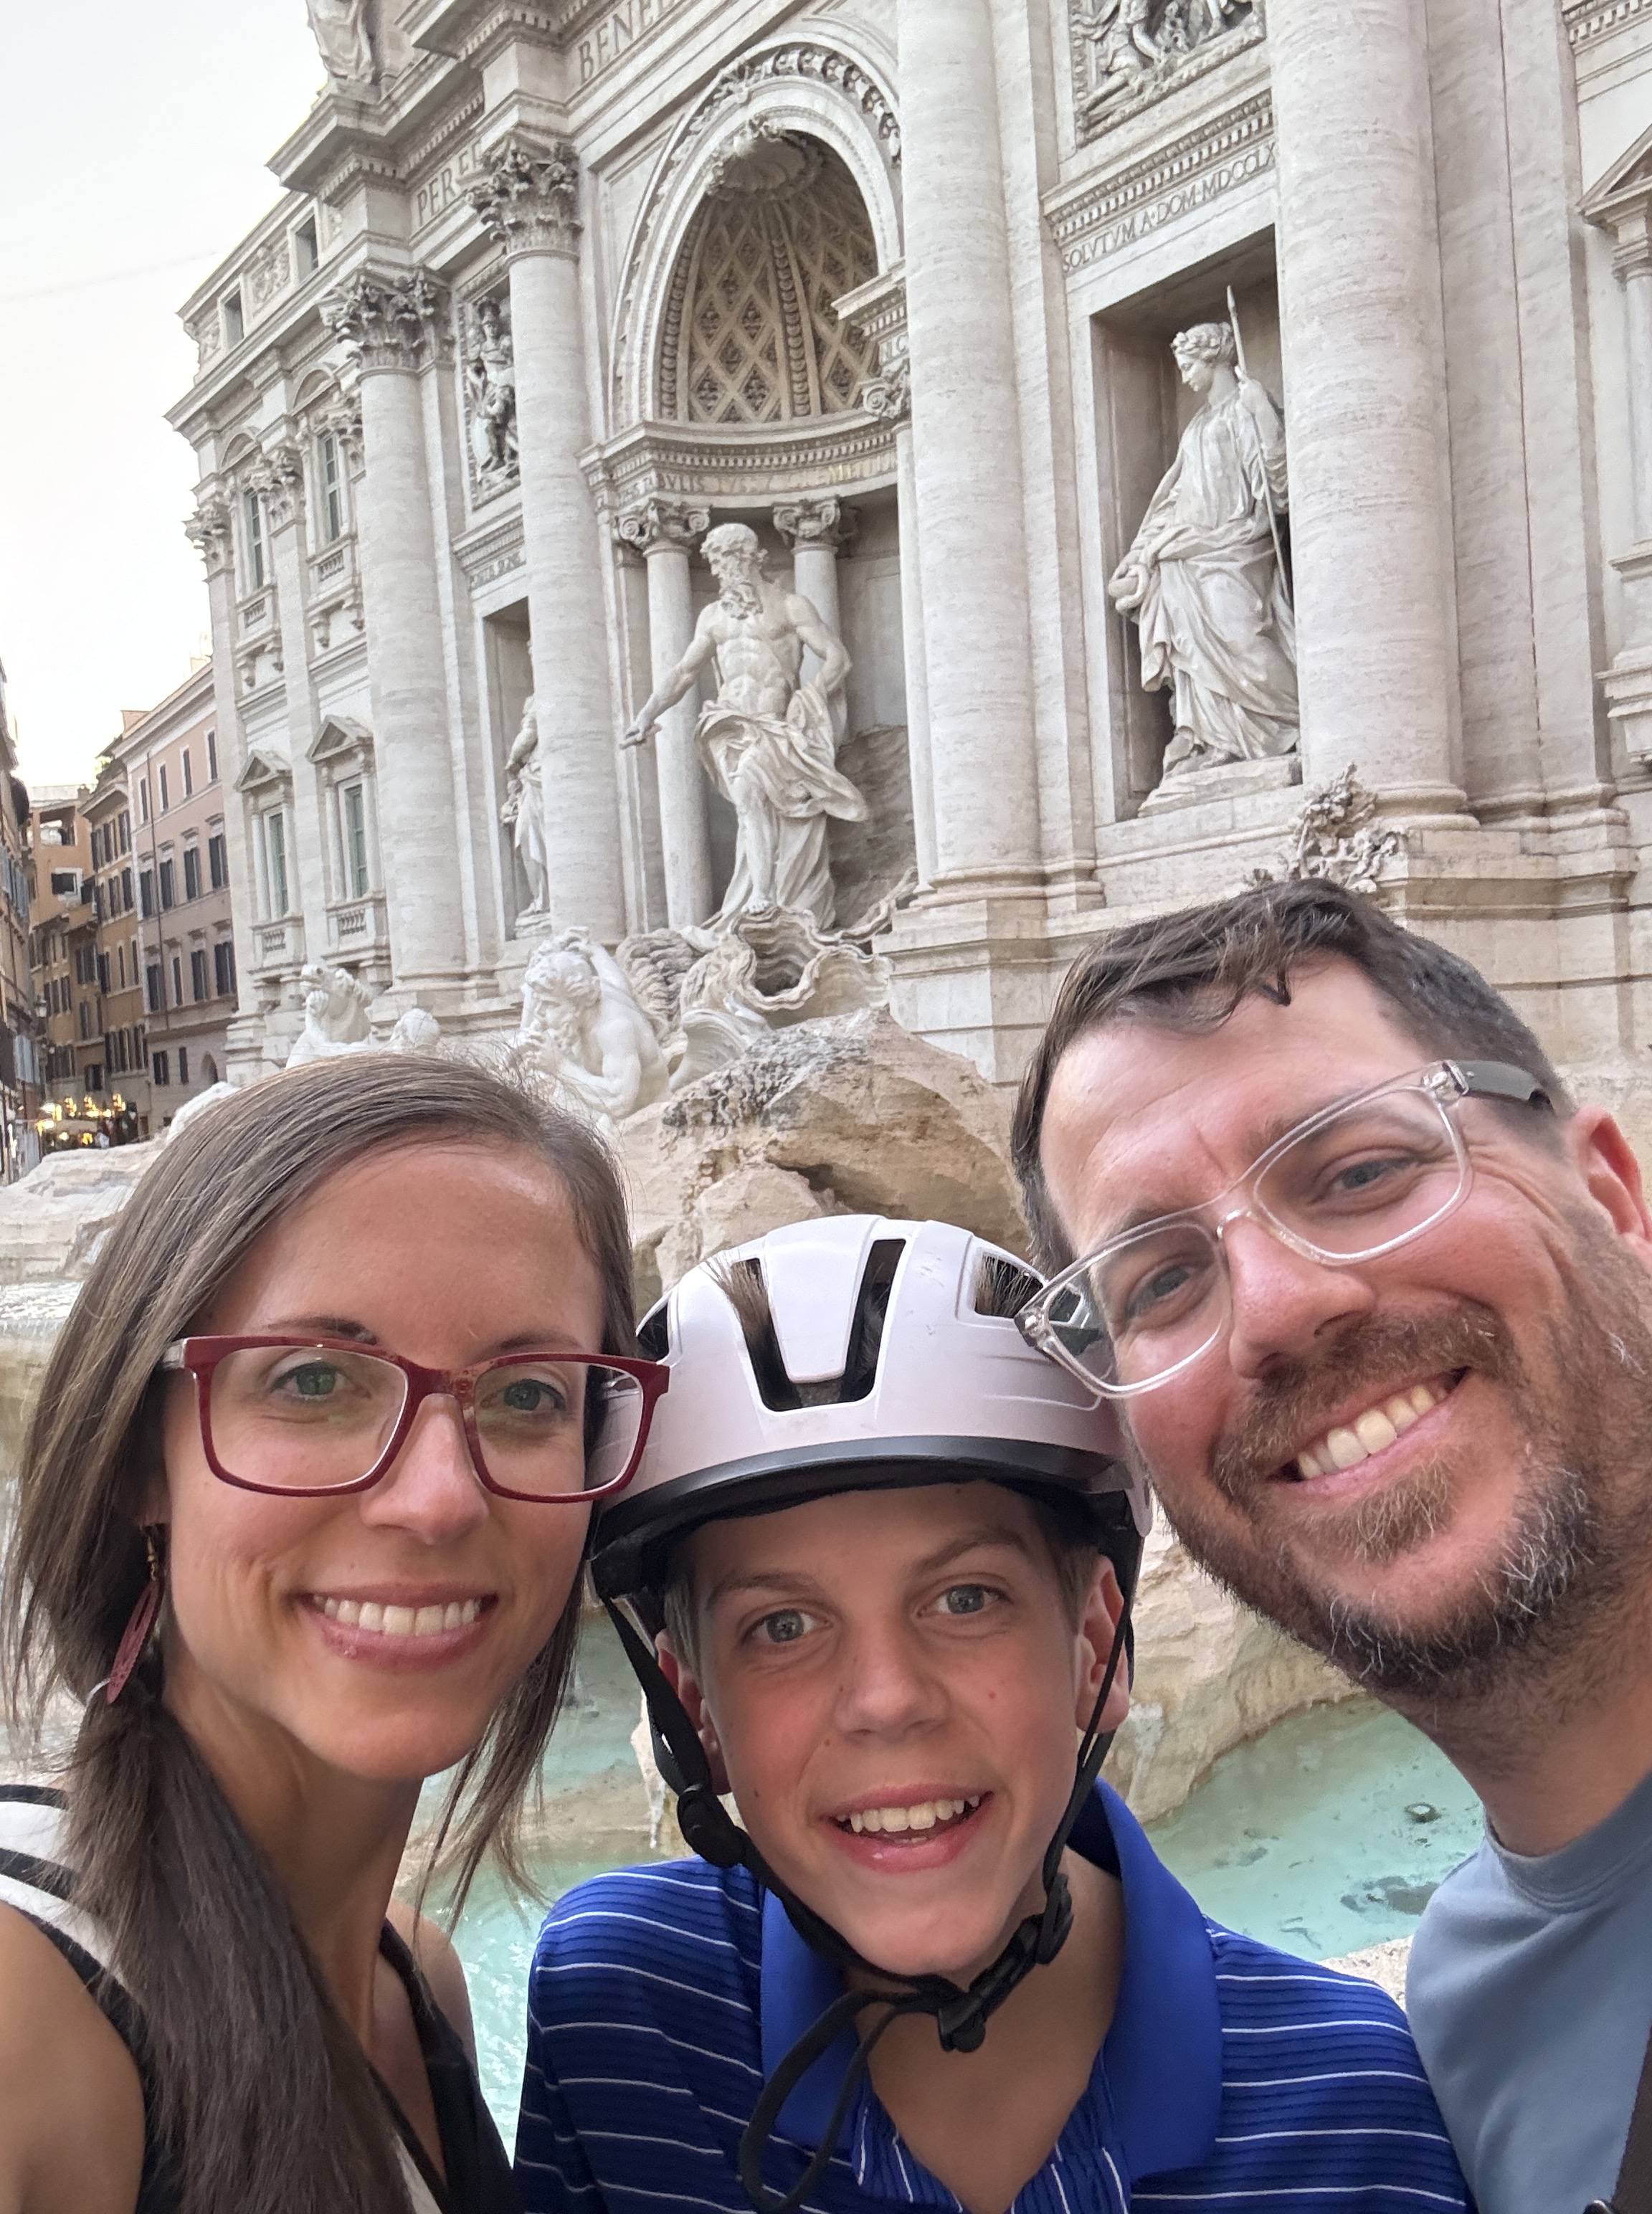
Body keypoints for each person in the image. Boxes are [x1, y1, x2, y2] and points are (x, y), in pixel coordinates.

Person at [514, 1215, 1468, 2214]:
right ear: (694, 1709)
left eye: (965, 1599)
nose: (887, 1700)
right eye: (782, 1626)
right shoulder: (620, 2019)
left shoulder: (1354, 2115)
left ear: (1095, 1642)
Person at [1009, 877, 1652, 2214]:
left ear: (1611, 1196)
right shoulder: (1459, 2026)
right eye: (1160, 1280)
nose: (1277, 1307)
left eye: (1360, 1171)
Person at [0, 1053, 667, 2214]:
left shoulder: (417, 1986)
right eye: (314, 1380)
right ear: (140, 1458)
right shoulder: (26, 2012)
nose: (438, 1498)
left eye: (527, 1393)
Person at [622, 521, 868, 931]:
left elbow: (837, 658)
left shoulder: (791, 606)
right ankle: (760, 893)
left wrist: (810, 697)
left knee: (760, 800)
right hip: (729, 725)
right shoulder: (712, 617)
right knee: (749, 801)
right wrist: (647, 715)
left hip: (774, 724)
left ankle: (766, 894)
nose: (718, 572)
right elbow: (683, 673)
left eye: (723, 562)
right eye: (714, 564)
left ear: (747, 558)